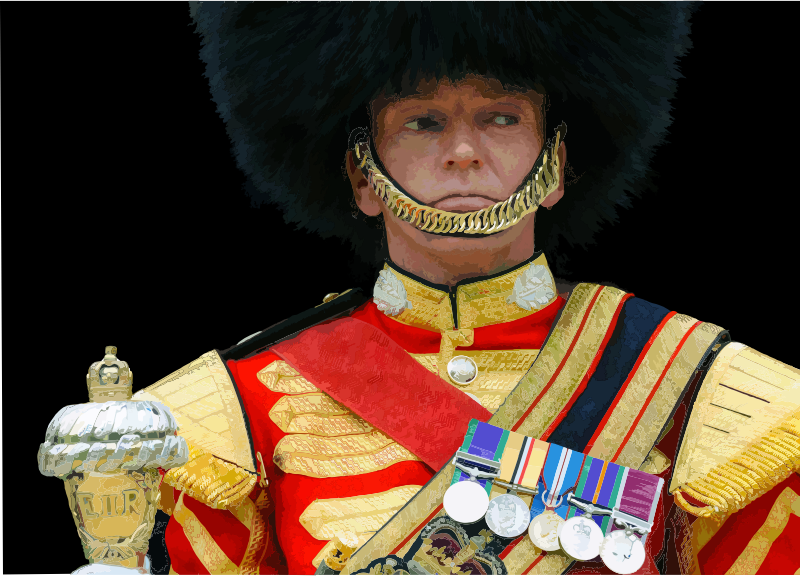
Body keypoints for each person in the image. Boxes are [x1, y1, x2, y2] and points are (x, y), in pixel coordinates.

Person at [131, 2, 799, 574]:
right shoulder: (241, 403)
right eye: (423, 121)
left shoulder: (692, 384)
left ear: (557, 165)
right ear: (363, 176)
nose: (463, 152)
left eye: (501, 118)